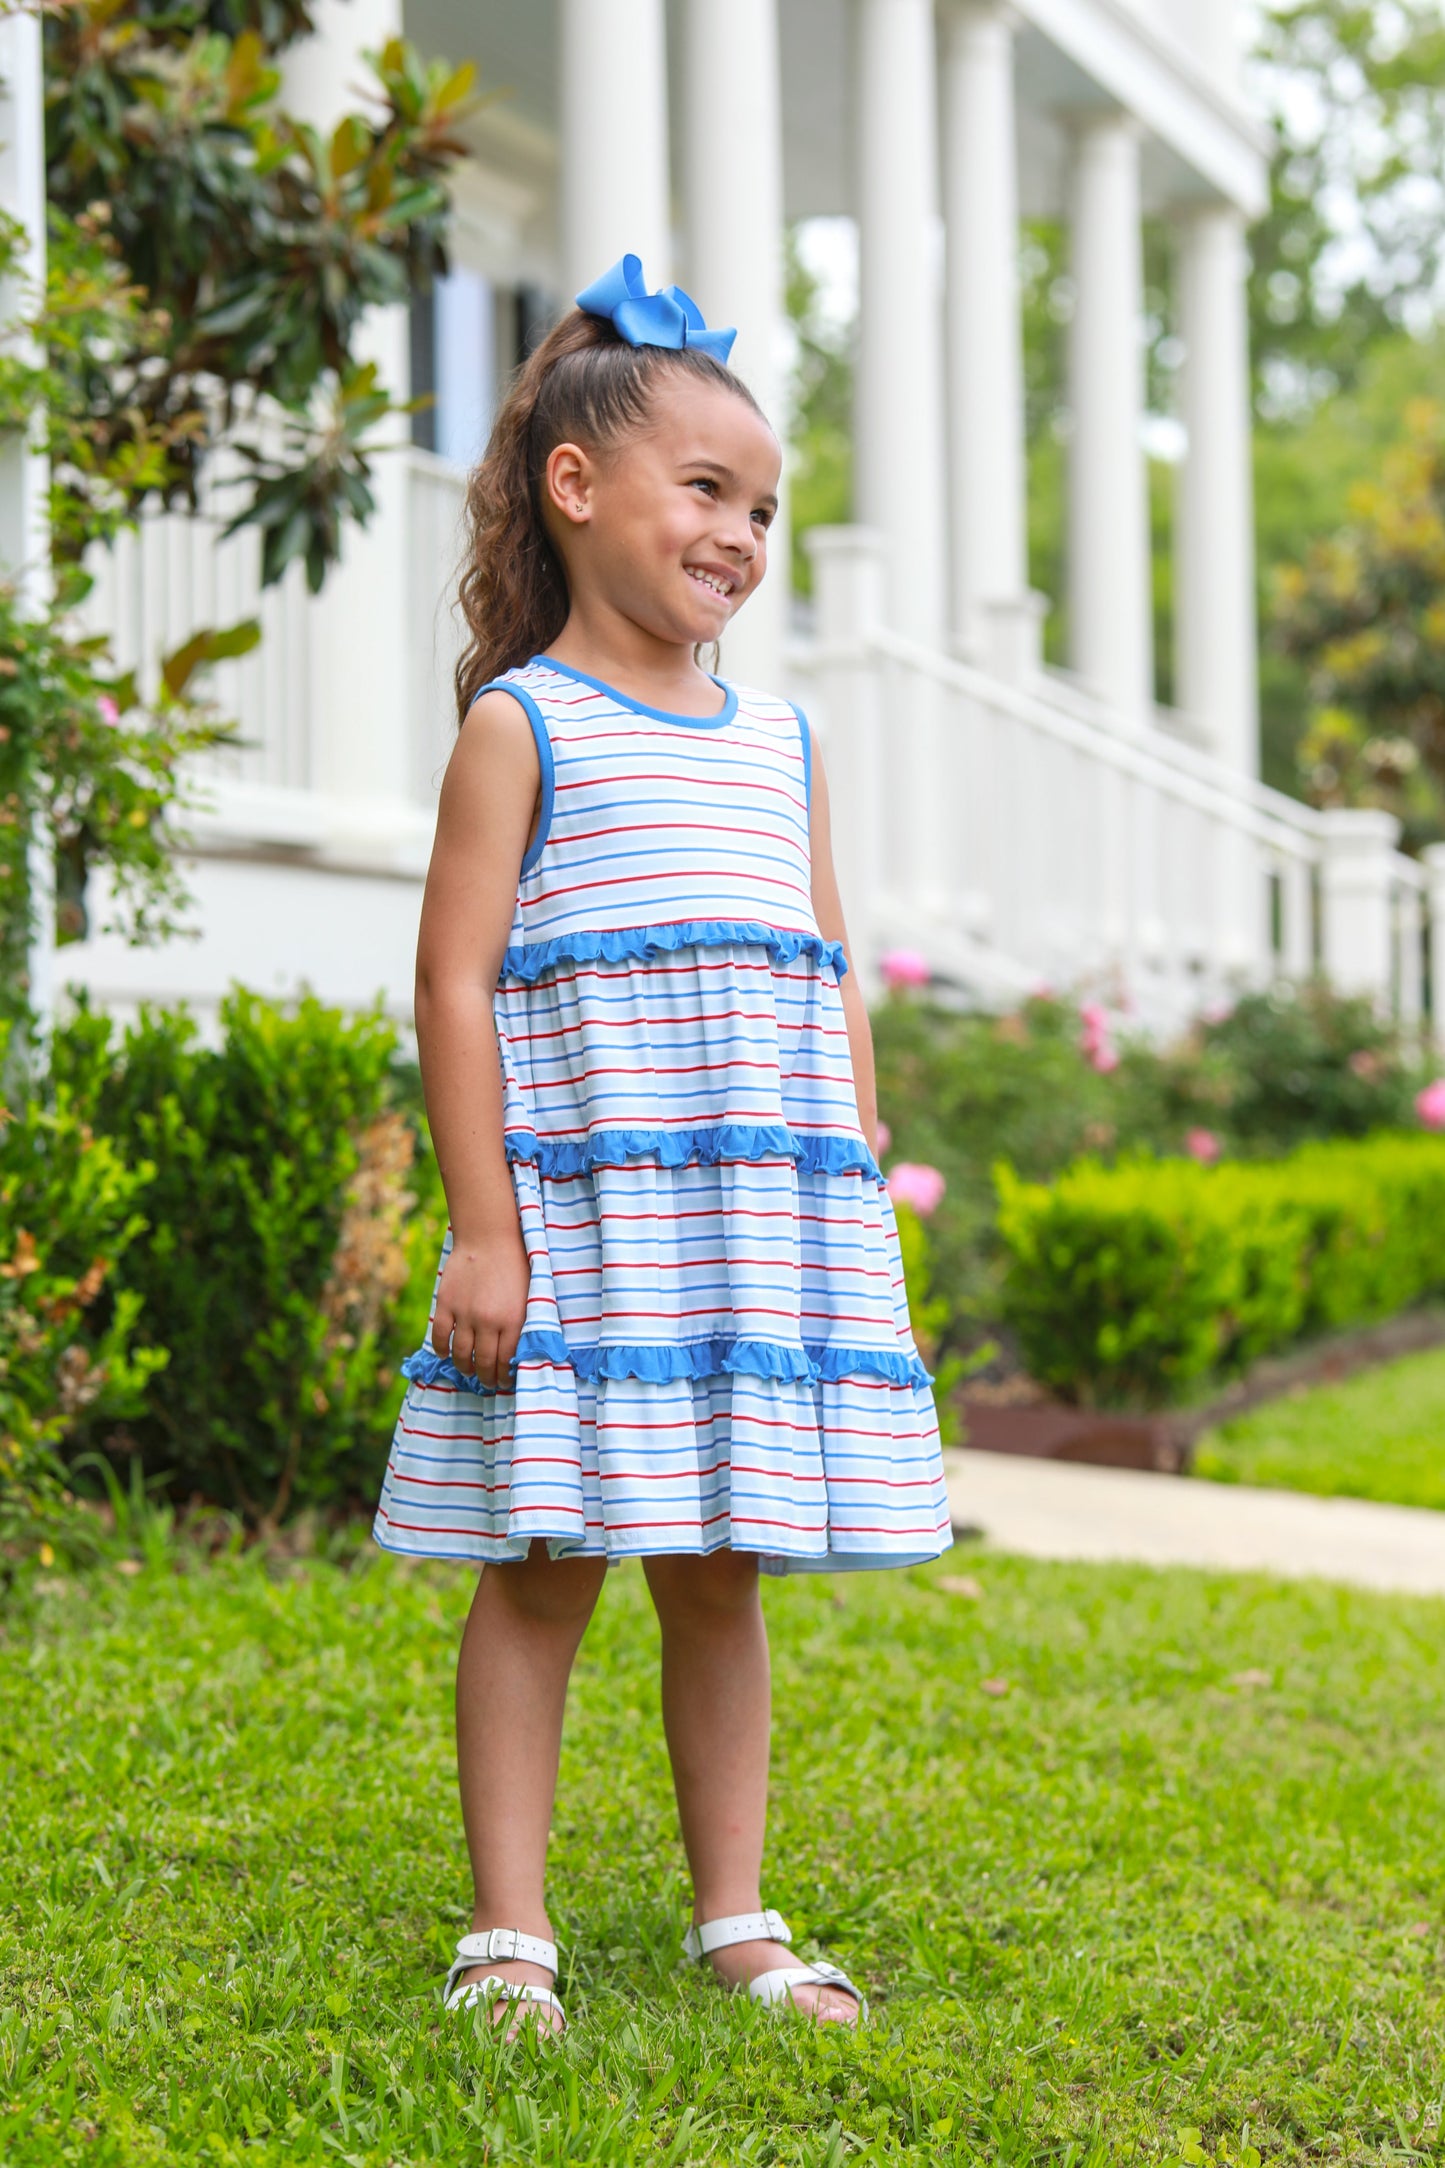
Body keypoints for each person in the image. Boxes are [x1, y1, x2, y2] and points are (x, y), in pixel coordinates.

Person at [372, 255, 951, 2037]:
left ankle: (736, 1919)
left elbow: (821, 961)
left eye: (761, 509)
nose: (740, 536)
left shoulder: (780, 740)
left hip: (748, 1235)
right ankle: (508, 1931)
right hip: (588, 1232)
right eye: (706, 490)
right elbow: (452, 985)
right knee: (542, 1571)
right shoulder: (522, 725)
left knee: (721, 1573)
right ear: (574, 486)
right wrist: (485, 1230)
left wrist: (852, 1161)